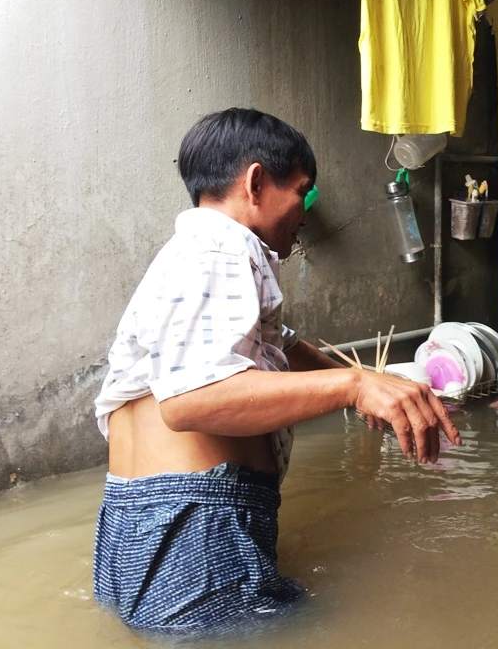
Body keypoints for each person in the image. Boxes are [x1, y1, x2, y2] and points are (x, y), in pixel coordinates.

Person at [92, 108, 461, 636]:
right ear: (257, 183)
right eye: (302, 194)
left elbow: (283, 346)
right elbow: (190, 400)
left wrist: (377, 388)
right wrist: (353, 385)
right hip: (195, 524)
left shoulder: (190, 255)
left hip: (138, 525)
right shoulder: (223, 248)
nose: (305, 216)